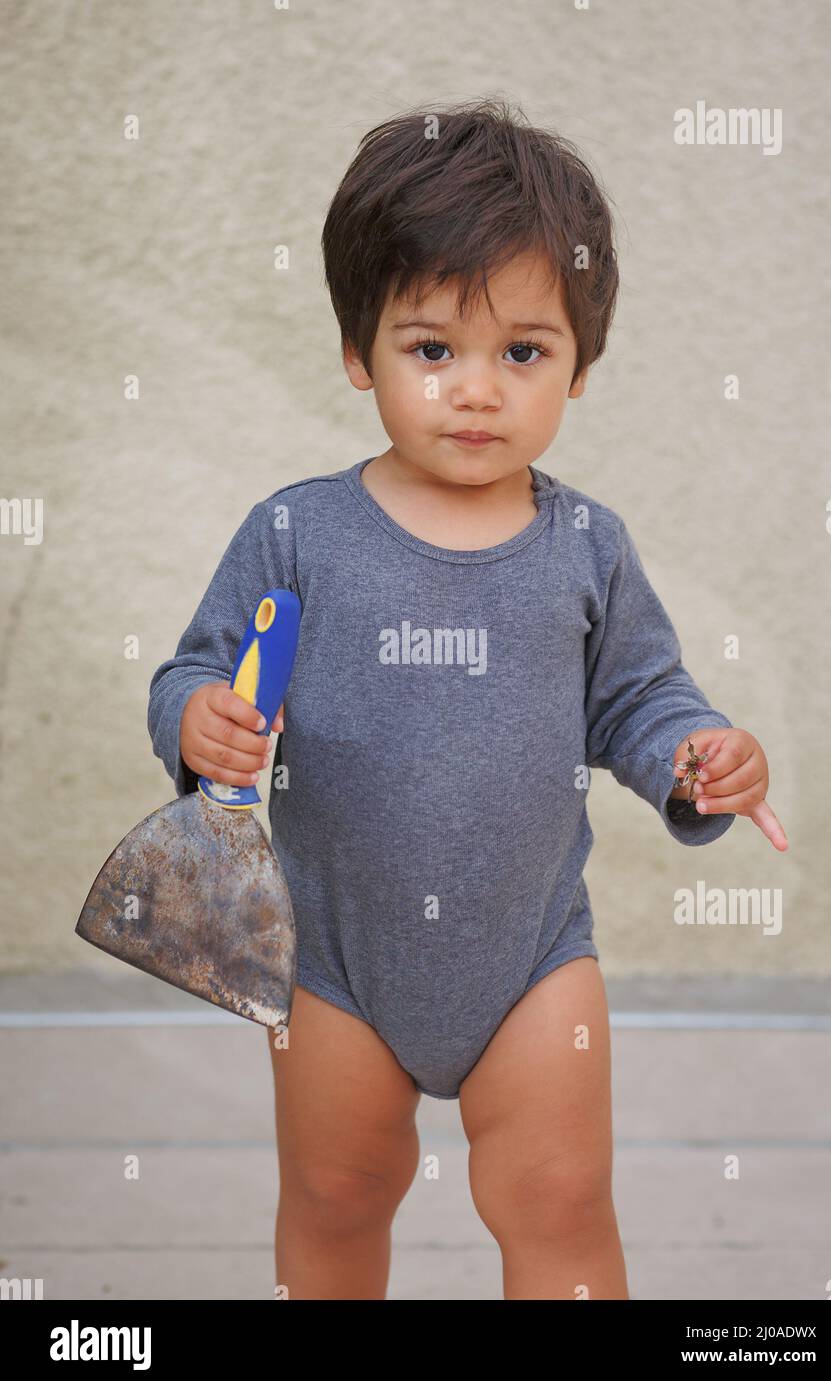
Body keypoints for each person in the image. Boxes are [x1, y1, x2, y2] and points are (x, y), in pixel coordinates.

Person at [147, 98, 788, 1300]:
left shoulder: (586, 548)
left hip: (533, 958)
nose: (476, 389)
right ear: (358, 352)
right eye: (431, 348)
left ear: (579, 367)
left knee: (555, 1200)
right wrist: (196, 719)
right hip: (333, 959)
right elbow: (195, 667)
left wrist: (695, 755)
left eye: (523, 351)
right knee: (335, 1199)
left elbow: (640, 699)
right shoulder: (297, 534)